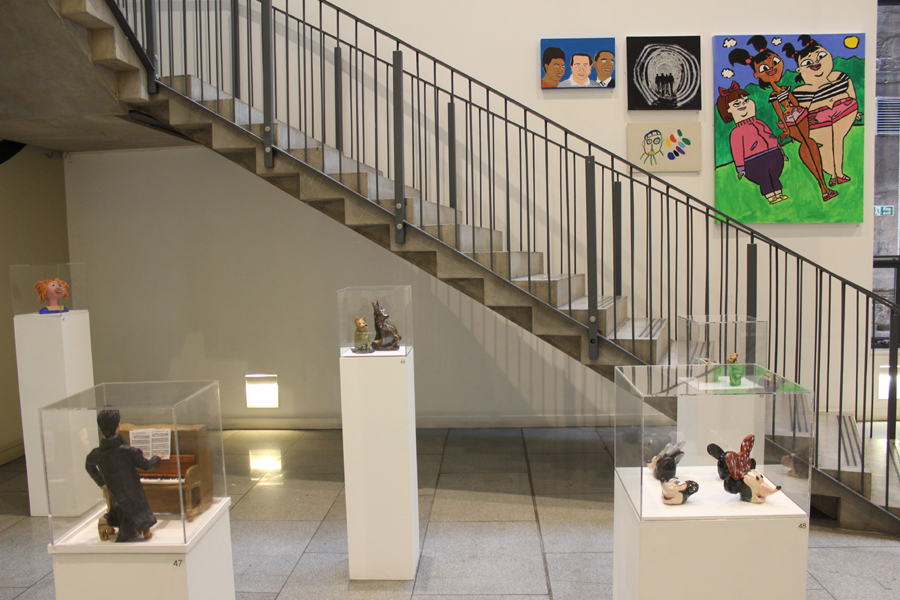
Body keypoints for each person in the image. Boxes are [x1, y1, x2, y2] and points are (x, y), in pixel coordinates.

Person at [729, 36, 836, 202]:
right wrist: (786, 128)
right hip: (791, 122)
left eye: (775, 62)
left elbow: (795, 103)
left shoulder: (785, 88)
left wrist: (804, 115)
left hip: (800, 117)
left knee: (811, 143)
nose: (772, 69)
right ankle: (823, 187)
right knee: (807, 144)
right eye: (765, 68)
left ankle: (824, 185)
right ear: (757, 74)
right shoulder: (773, 96)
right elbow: (779, 112)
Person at [784, 35, 859, 189]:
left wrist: (856, 110)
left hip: (845, 112)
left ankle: (838, 174)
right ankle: (833, 174)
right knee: (826, 145)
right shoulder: (801, 91)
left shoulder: (840, 77)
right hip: (818, 121)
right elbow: (798, 111)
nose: (815, 63)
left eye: (821, 56)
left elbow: (851, 93)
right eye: (807, 63)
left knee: (837, 140)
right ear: (799, 69)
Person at [85, 409, 162, 542]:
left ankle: (109, 523)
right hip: (132, 493)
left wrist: (102, 482)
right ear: (118, 424)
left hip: (115, 494)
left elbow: (89, 466)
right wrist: (157, 458)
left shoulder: (97, 453)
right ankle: (146, 531)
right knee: (140, 507)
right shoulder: (129, 451)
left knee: (118, 508)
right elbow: (147, 465)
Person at [717, 81, 789, 205]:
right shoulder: (736, 132)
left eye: (746, 100)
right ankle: (771, 196)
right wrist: (741, 167)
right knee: (764, 179)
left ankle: (779, 193)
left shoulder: (760, 123)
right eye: (737, 103)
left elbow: (772, 137)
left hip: (773, 154)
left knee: (774, 175)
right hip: (753, 160)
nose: (743, 105)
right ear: (729, 110)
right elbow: (737, 151)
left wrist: (781, 152)